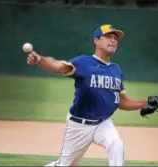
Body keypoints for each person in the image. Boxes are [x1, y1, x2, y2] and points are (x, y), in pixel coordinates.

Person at [27, 24, 148, 166]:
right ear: (96, 41)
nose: (113, 40)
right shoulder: (84, 62)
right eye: (108, 36)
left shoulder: (116, 69)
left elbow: (122, 102)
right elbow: (58, 66)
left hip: (103, 123)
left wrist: (146, 102)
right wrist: (40, 60)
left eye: (115, 38)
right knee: (65, 165)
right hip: (79, 125)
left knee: (117, 145)